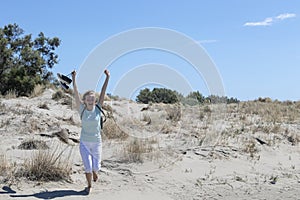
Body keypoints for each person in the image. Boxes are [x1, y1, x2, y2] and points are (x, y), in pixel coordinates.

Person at [71, 69, 110, 194]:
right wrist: (73, 79)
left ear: (95, 100)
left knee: (95, 167)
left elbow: (103, 92)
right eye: (88, 99)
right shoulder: (81, 109)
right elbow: (76, 93)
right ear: (84, 100)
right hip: (84, 143)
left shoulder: (98, 108)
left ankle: (95, 172)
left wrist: (107, 77)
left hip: (97, 142)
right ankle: (89, 186)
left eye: (92, 99)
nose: (90, 100)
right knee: (87, 167)